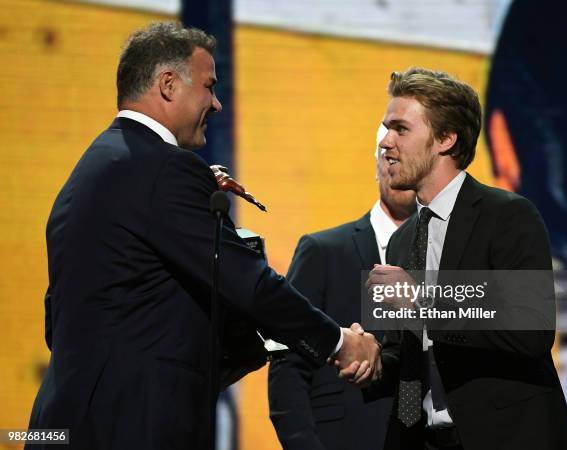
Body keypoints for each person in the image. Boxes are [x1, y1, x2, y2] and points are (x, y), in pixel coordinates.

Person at [26, 22, 379, 450]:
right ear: (169, 85)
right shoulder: (163, 168)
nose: (216, 103)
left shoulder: (92, 169)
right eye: (209, 86)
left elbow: (60, 320)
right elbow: (248, 284)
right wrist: (339, 343)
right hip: (131, 428)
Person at [343, 68, 567, 449]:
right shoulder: (404, 240)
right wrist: (372, 361)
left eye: (400, 129)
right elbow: (412, 357)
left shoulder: (507, 215)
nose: (385, 142)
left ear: (446, 139)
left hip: (505, 437)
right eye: (386, 129)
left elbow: (530, 329)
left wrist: (421, 302)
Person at [267, 134, 416, 450]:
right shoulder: (324, 251)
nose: (399, 169)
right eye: (389, 158)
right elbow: (287, 364)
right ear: (376, 166)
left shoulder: (449, 259)